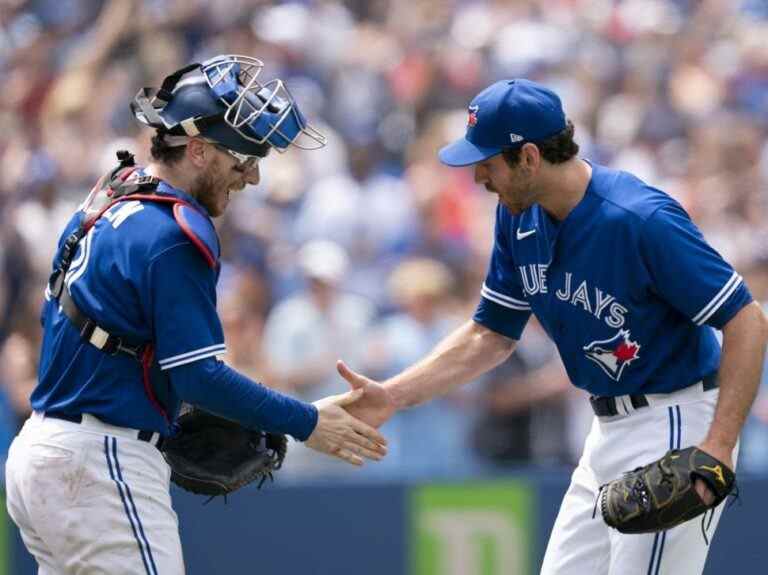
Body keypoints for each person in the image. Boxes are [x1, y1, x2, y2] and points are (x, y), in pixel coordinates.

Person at [337, 79, 768, 574]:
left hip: (674, 419)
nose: (479, 175)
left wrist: (718, 445)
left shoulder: (638, 218)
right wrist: (393, 394)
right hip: (605, 429)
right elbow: (490, 334)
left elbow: (746, 318)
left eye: (488, 161)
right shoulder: (518, 217)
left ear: (530, 157)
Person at [4, 55, 387, 575]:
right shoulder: (174, 232)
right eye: (243, 159)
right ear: (200, 150)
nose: (252, 176)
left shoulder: (110, 197)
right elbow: (198, 375)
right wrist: (307, 421)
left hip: (45, 452)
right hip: (100, 462)